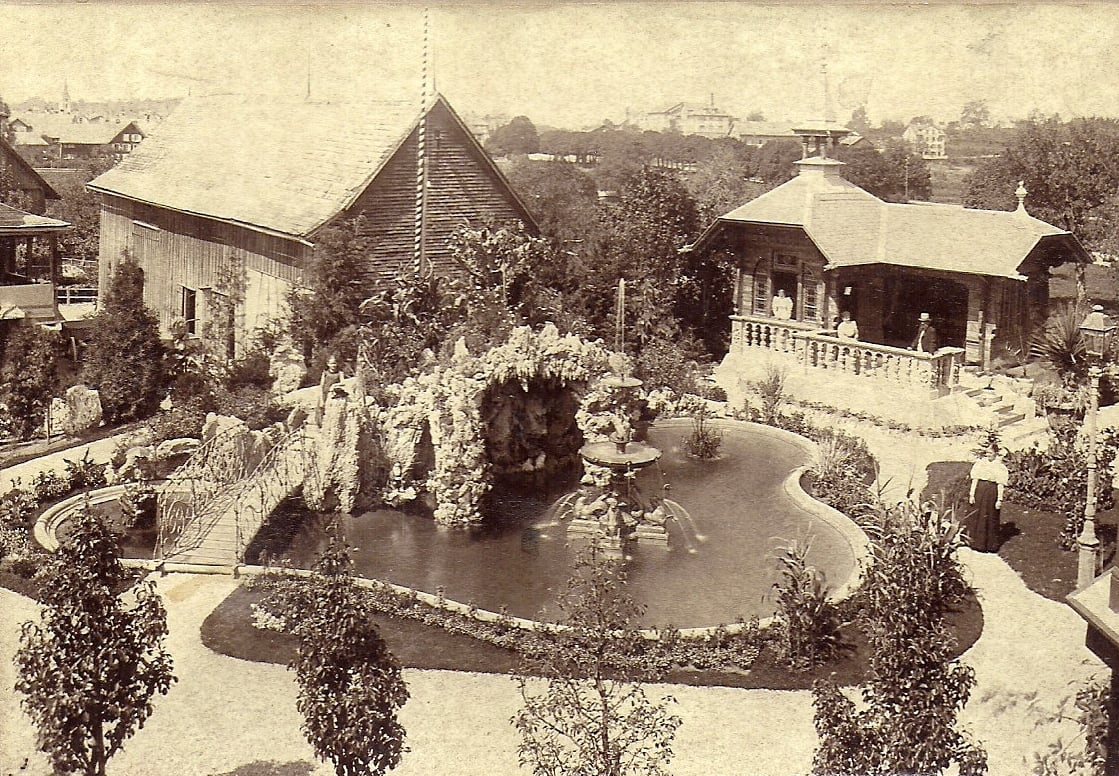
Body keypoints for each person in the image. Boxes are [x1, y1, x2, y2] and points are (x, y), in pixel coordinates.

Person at [967, 446, 1009, 552]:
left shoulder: (1000, 467)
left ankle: (989, 545)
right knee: (977, 515)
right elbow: (975, 480)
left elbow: (1000, 484)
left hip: (992, 492)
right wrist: (972, 495)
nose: (987, 455)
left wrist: (999, 499)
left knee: (990, 516)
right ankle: (976, 543)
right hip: (980, 491)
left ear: (995, 453)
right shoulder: (980, 464)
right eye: (986, 453)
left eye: (990, 453)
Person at [314, 355, 342, 426]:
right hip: (324, 393)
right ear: (328, 364)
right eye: (331, 363)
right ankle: (321, 426)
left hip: (333, 393)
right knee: (321, 408)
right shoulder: (325, 373)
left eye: (334, 363)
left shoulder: (340, 373)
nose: (333, 365)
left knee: (332, 410)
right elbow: (322, 385)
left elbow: (343, 382)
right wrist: (321, 397)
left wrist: (335, 386)